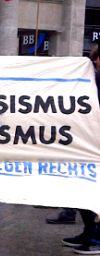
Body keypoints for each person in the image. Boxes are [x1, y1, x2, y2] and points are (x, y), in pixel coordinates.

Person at [60, 46, 100, 254]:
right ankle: (90, 233)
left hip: (94, 147)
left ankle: (97, 239)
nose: (95, 63)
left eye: (97, 59)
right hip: (87, 146)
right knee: (81, 192)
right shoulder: (94, 81)